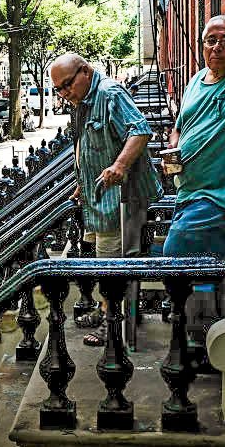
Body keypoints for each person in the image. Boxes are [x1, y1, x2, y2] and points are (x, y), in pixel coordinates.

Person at [50, 53, 162, 346]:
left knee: (113, 263)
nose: (64, 94)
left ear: (85, 71)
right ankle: (107, 309)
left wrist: (120, 165)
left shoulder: (109, 93)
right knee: (105, 259)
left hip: (121, 199)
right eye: (58, 90)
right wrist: (82, 184)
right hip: (99, 198)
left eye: (66, 85)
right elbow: (91, 147)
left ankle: (114, 322)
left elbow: (140, 130)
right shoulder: (84, 100)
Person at [163, 15, 225, 312]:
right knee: (189, 268)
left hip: (223, 195)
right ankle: (196, 321)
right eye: (210, 41)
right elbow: (179, 124)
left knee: (175, 254)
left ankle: (189, 332)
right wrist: (175, 142)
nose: (216, 48)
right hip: (188, 190)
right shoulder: (195, 81)